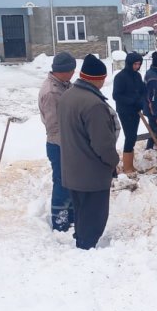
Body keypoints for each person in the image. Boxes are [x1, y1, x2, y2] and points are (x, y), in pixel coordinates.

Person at [58, 54, 120, 250]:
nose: (103, 83)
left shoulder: (68, 96)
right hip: (91, 173)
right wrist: (113, 161)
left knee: (82, 210)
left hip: (72, 167)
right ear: (96, 79)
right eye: (103, 79)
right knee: (95, 214)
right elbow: (103, 144)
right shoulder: (94, 105)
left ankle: (82, 240)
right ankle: (86, 247)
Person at [38, 52, 77, 232]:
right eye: (71, 70)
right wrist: (70, 144)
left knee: (69, 180)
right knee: (62, 182)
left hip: (67, 143)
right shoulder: (52, 92)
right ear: (63, 71)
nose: (73, 73)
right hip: (59, 144)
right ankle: (59, 220)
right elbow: (53, 126)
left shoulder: (64, 85)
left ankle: (70, 216)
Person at [112, 52, 145, 173]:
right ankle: (127, 167)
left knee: (133, 137)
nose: (137, 66)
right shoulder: (120, 77)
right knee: (130, 137)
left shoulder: (137, 76)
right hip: (125, 111)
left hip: (136, 110)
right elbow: (116, 95)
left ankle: (130, 165)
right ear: (129, 63)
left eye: (139, 64)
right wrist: (132, 101)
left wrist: (141, 101)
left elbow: (142, 90)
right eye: (135, 64)